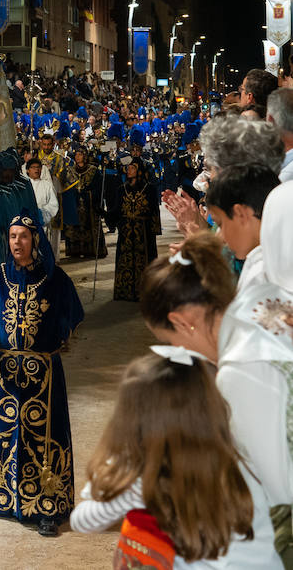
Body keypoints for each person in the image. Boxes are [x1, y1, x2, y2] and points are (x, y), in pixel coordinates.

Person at [140, 231, 293, 564]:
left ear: (182, 322)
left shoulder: (240, 371)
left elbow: (279, 493)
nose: (179, 355)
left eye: (172, 343)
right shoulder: (262, 298)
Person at [73, 349, 279, 568]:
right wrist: (133, 494)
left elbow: (250, 557)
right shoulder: (131, 457)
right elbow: (81, 521)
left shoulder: (235, 469)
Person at [0, 214, 83, 536]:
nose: (17, 242)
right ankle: (5, 498)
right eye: (13, 236)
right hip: (6, 375)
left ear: (36, 240)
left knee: (44, 437)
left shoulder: (55, 280)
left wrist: (57, 338)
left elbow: (72, 313)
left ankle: (47, 507)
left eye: (24, 237)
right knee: (6, 432)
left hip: (43, 374)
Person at [115, 155, 161, 302]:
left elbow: (154, 210)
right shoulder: (122, 189)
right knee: (126, 260)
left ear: (139, 170)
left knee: (145, 260)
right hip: (126, 231)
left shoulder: (150, 189)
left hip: (144, 230)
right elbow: (117, 211)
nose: (129, 170)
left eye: (132, 168)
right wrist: (103, 213)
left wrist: (155, 229)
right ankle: (126, 292)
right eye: (128, 168)